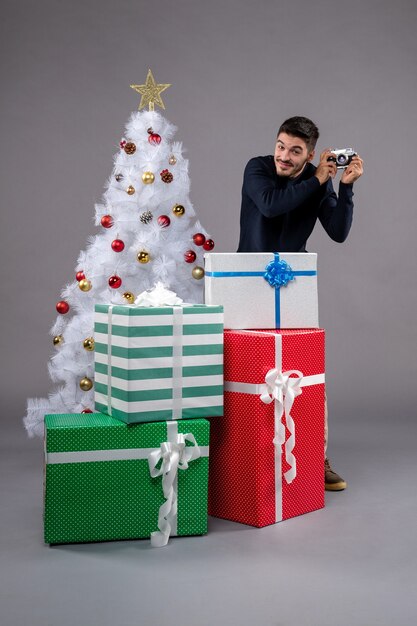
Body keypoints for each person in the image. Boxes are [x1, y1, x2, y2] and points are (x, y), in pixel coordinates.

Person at [237, 116, 364, 491]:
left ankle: (316, 456)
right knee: (242, 367)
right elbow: (271, 205)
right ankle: (239, 457)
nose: (284, 156)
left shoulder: (317, 179)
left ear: (310, 154)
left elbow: (338, 232)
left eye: (295, 151)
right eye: (281, 146)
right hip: (245, 282)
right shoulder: (257, 168)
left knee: (304, 370)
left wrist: (344, 187)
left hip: (294, 284)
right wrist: (317, 180)